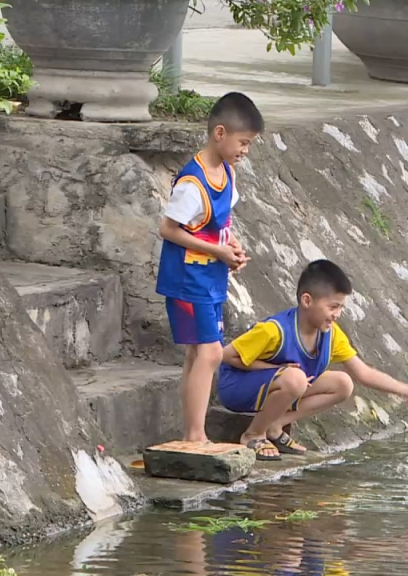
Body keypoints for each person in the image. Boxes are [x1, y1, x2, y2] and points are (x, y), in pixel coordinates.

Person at [218, 259, 408, 460]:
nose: (337, 314)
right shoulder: (274, 330)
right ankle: (253, 434)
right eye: (333, 306)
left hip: (282, 387)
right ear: (307, 300)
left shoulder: (331, 334)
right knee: (295, 378)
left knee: (343, 384)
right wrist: (277, 369)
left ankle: (276, 423)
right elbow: (225, 355)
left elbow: (363, 373)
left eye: (341, 307)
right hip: (238, 388)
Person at [155, 92, 264, 443]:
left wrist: (231, 247)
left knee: (197, 353)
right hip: (188, 279)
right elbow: (169, 230)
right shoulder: (191, 183)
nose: (245, 150)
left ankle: (193, 432)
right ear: (220, 133)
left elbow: (219, 225)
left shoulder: (226, 174)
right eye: (243, 142)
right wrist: (216, 251)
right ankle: (196, 435)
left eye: (249, 144)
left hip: (209, 277)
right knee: (211, 352)